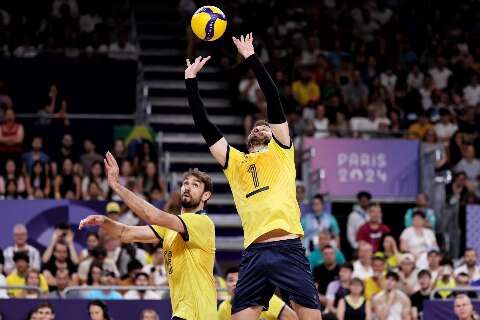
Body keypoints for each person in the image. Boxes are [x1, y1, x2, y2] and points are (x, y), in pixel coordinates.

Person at [184, 33, 320, 319]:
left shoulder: (282, 150)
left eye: (265, 126)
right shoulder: (235, 162)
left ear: (274, 133)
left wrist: (251, 57)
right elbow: (205, 126)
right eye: (256, 126)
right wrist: (191, 82)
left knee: (310, 318)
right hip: (254, 253)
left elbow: (272, 97)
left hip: (287, 247)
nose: (260, 126)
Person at [79, 152, 216, 320]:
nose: (187, 187)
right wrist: (104, 221)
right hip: (184, 312)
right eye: (185, 183)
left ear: (206, 195)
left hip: (198, 314)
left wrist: (116, 185)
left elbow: (154, 216)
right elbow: (125, 233)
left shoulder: (201, 222)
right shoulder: (171, 228)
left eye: (195, 185)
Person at [217, 267, 298, 320]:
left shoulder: (267, 298)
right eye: (231, 280)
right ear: (225, 284)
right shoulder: (223, 309)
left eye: (240, 280)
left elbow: (292, 317)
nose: (235, 283)